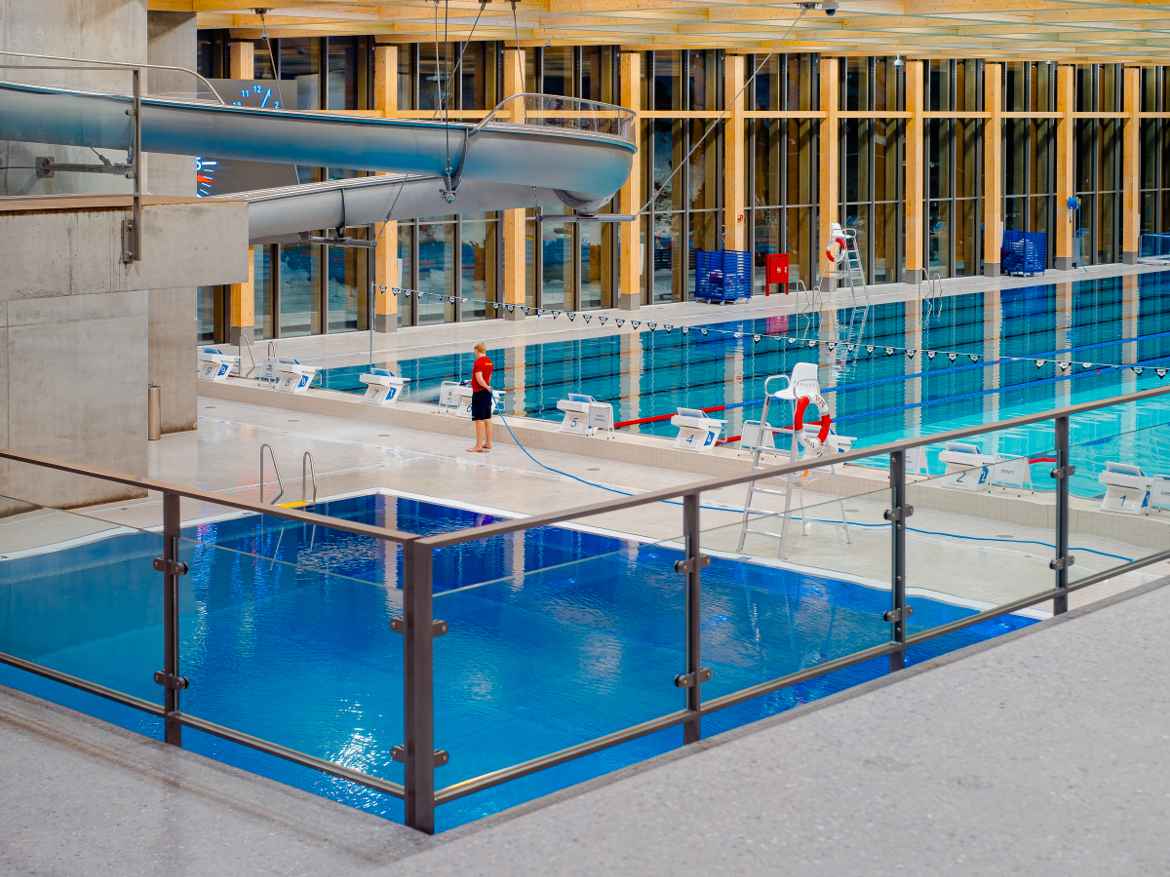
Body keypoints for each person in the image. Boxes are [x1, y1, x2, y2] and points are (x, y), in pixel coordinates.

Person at [468, 341, 494, 453]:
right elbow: (488, 377)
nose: (474, 354)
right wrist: (487, 386)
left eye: (475, 352)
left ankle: (478, 446)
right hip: (487, 393)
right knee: (487, 418)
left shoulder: (478, 362)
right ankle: (488, 443)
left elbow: (479, 378)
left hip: (480, 392)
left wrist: (484, 386)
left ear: (477, 350)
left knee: (479, 420)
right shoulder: (489, 361)